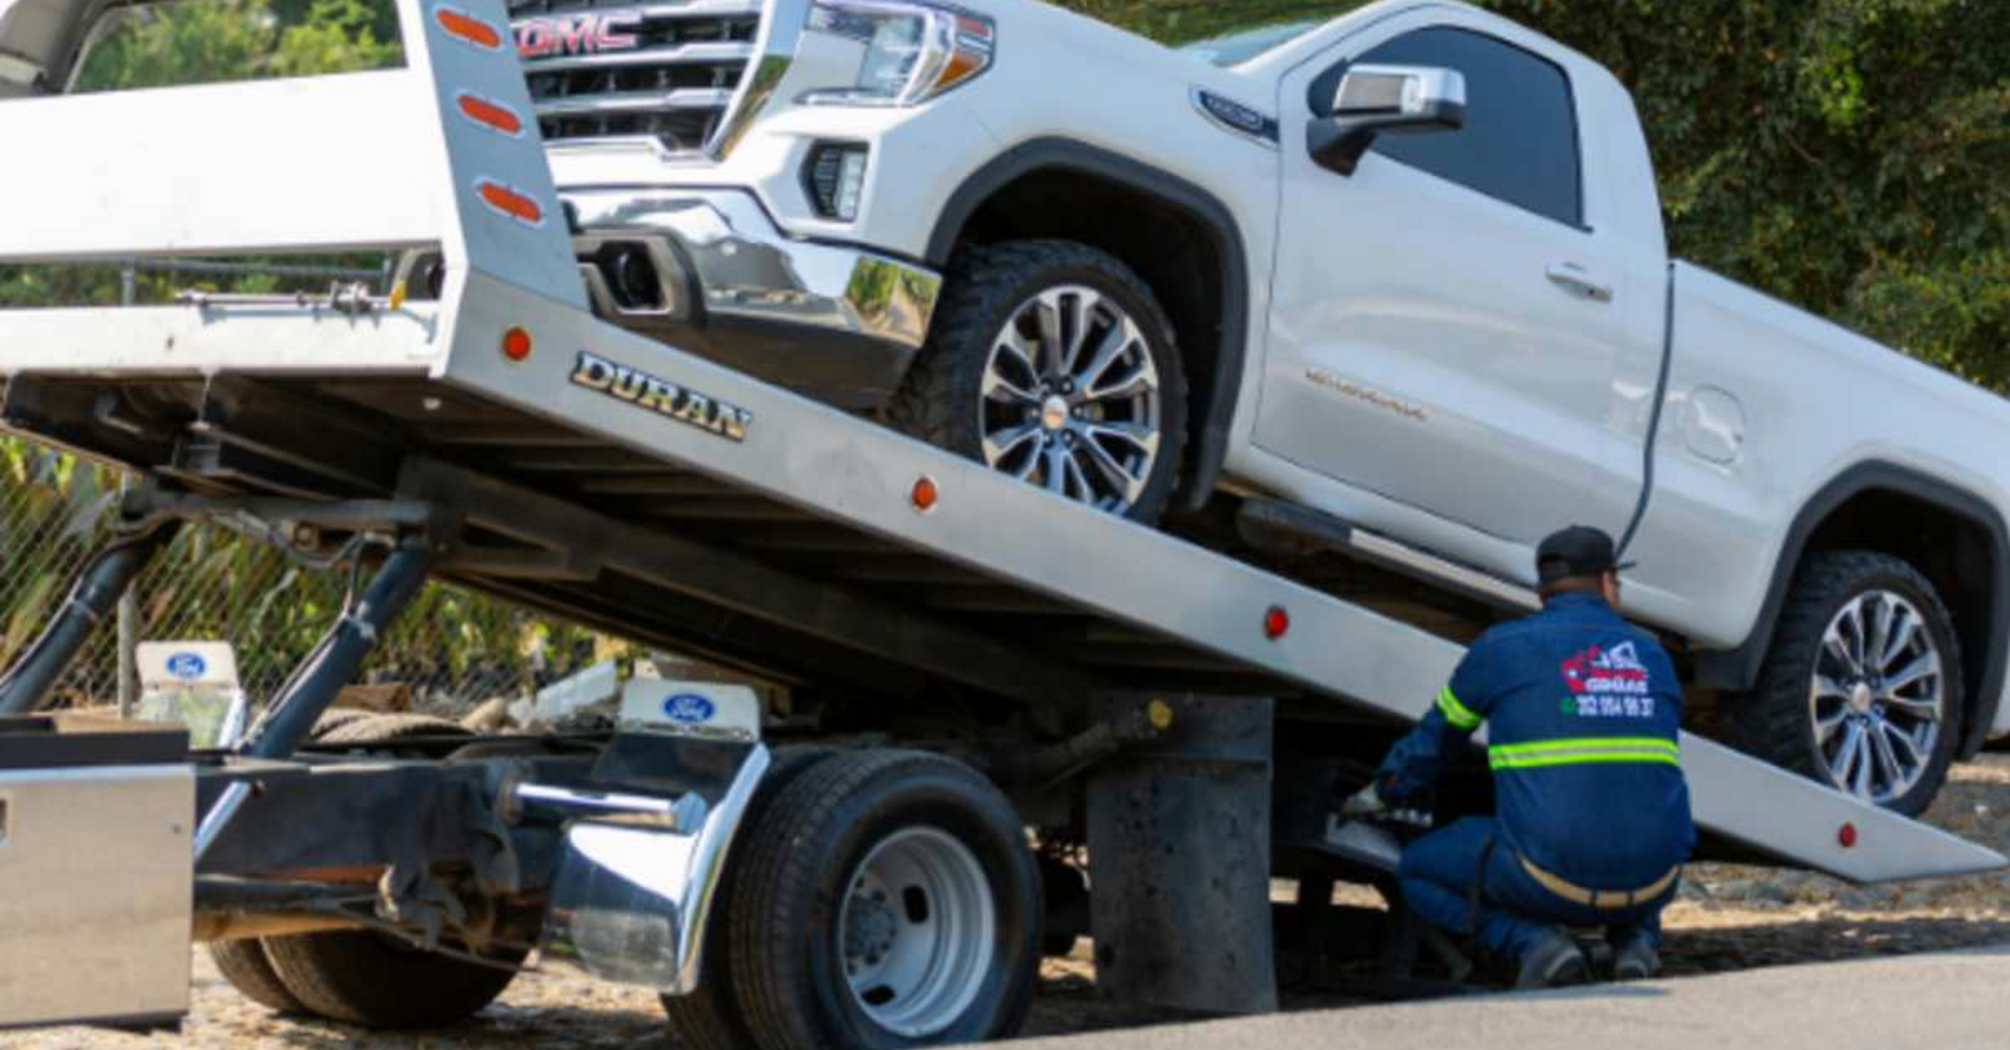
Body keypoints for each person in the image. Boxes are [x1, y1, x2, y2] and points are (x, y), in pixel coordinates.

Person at [1342, 525, 1695, 988]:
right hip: (1658, 880)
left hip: (1545, 882)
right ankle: (1637, 944)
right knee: (1632, 820)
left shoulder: (1501, 649)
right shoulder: (1653, 657)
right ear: (1609, 583)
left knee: (1418, 871)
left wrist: (1380, 793)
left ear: (1541, 591)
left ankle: (1536, 944)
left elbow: (1434, 743)